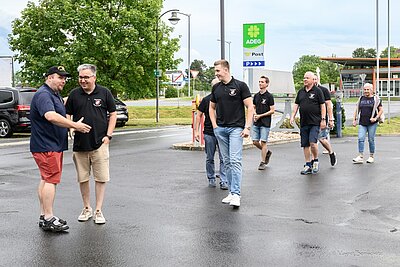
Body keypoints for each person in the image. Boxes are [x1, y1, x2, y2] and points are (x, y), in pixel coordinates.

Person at [30, 66, 91, 232]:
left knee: (45, 178)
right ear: (50, 77)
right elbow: (50, 115)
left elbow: (61, 105)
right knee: (51, 180)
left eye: (65, 78)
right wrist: (74, 125)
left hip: (47, 145)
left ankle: (44, 215)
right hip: (47, 145)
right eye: (60, 77)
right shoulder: (43, 94)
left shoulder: (53, 94)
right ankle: (49, 217)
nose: (63, 81)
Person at [65, 64, 116, 224]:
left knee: (101, 178)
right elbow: (68, 114)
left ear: (94, 77)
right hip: (80, 145)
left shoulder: (104, 92)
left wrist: (108, 135)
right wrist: (70, 127)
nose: (83, 80)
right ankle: (87, 208)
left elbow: (113, 114)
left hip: (100, 143)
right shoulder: (74, 94)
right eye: (80, 77)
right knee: (83, 178)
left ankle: (99, 210)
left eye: (86, 77)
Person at [209, 59, 254, 207]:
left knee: (235, 161)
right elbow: (211, 108)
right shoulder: (216, 88)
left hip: (236, 129)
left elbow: (250, 107)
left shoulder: (240, 86)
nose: (216, 73)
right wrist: (215, 126)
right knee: (227, 162)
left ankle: (236, 194)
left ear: (226, 70)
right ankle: (231, 192)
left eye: (217, 71)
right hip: (221, 129)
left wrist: (247, 127)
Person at [195, 78, 228, 190]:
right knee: (210, 157)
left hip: (222, 132)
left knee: (223, 157)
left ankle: (224, 180)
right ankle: (211, 178)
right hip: (209, 133)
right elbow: (198, 115)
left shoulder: (224, 99)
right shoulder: (206, 100)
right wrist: (196, 131)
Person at [290, 71, 326, 175]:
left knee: (313, 143)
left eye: (307, 78)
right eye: (304, 78)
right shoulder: (301, 92)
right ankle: (307, 164)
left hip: (315, 122)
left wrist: (323, 119)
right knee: (305, 144)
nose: (305, 80)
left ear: (312, 80)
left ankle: (315, 160)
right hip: (304, 122)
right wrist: (292, 116)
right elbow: (296, 104)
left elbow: (322, 105)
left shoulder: (318, 91)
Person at [352, 83, 383, 164]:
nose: (366, 91)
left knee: (371, 139)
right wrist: (354, 119)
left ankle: (371, 156)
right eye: (365, 89)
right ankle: (360, 156)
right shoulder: (361, 98)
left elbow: (381, 110)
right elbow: (357, 109)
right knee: (360, 138)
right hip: (362, 122)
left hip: (372, 123)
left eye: (367, 89)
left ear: (371, 90)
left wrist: (375, 118)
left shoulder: (376, 99)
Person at [313, 75, 337, 166]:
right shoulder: (305, 90)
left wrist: (331, 119)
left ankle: (331, 152)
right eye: (313, 79)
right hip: (310, 119)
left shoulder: (323, 90)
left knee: (321, 138)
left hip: (321, 119)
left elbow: (329, 105)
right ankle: (313, 161)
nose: (314, 81)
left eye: (316, 79)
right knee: (311, 141)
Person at [252, 76, 275, 170]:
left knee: (263, 142)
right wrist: (255, 114)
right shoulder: (256, 96)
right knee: (255, 141)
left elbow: (272, 110)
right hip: (256, 122)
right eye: (259, 82)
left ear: (267, 84)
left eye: (262, 82)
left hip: (265, 122)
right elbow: (253, 107)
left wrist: (261, 115)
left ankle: (263, 162)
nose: (260, 83)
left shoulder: (269, 96)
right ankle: (267, 152)